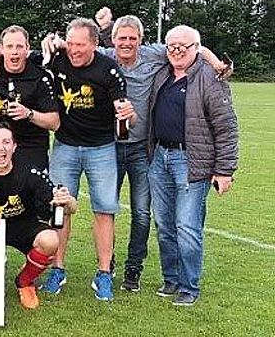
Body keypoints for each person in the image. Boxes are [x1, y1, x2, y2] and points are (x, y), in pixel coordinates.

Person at [43, 16, 228, 291]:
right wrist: (54, 43)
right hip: (98, 145)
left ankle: (129, 269)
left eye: (132, 38)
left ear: (141, 40)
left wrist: (216, 64)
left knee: (138, 211)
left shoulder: (154, 54)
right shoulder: (96, 54)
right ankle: (79, 268)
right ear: (111, 41)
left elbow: (190, 47)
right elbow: (45, 50)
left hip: (139, 147)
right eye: (122, 38)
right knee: (72, 207)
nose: (127, 43)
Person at [42, 17, 134, 302]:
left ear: (95, 44)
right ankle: (57, 269)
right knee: (59, 208)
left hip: (101, 148)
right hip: (65, 146)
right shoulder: (57, 59)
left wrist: (128, 116)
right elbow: (23, 55)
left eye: (80, 45)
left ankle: (104, 273)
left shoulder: (108, 69)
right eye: (70, 44)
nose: (74, 50)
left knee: (104, 210)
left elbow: (124, 115)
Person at [147, 25, 238, 306]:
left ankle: (189, 286)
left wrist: (224, 170)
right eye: (171, 46)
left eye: (182, 47)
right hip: (159, 157)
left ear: (196, 48)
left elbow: (226, 127)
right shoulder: (162, 72)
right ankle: (171, 279)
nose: (176, 51)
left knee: (186, 225)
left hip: (191, 161)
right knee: (164, 224)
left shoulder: (210, 78)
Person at [0, 123, 76, 309]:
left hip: (23, 224)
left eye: (6, 142)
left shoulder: (30, 171)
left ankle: (24, 281)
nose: (1, 148)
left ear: (14, 146)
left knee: (50, 241)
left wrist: (68, 201)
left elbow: (68, 207)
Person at [0, 25, 61, 171]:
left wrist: (28, 114)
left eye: (19, 47)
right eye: (9, 46)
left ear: (27, 48)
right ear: (1, 48)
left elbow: (54, 122)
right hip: (1, 146)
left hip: (32, 147)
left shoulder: (40, 76)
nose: (14, 52)